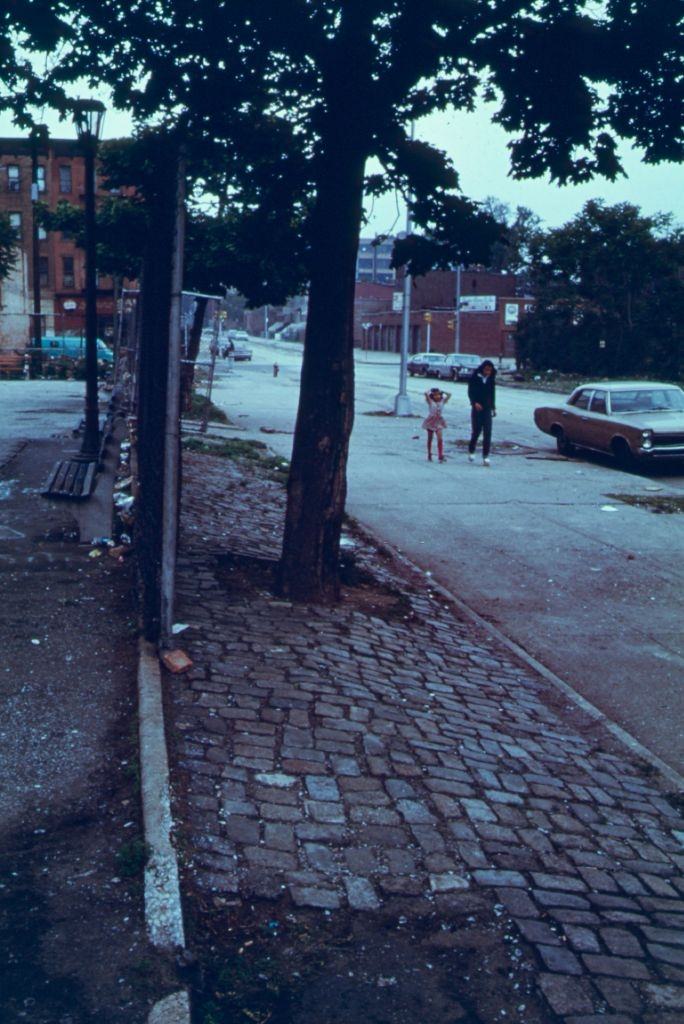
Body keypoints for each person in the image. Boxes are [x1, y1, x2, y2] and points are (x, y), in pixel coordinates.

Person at [467, 359, 497, 465]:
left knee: (488, 432)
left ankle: (485, 456)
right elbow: (470, 392)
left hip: (487, 408)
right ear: (482, 368)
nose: (487, 372)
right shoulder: (475, 378)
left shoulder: (491, 380)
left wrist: (493, 407)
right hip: (477, 408)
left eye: (490, 370)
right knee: (476, 431)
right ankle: (471, 450)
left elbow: (492, 394)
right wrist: (474, 402)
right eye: (486, 370)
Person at [422, 386, 451, 462]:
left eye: (438, 395)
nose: (437, 396)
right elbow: (425, 393)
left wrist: (443, 391)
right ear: (432, 396)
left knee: (440, 438)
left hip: (439, 421)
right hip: (431, 421)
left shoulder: (442, 401)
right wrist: (430, 391)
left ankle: (440, 455)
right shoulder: (430, 402)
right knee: (430, 438)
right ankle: (429, 453)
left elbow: (449, 395)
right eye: (435, 395)